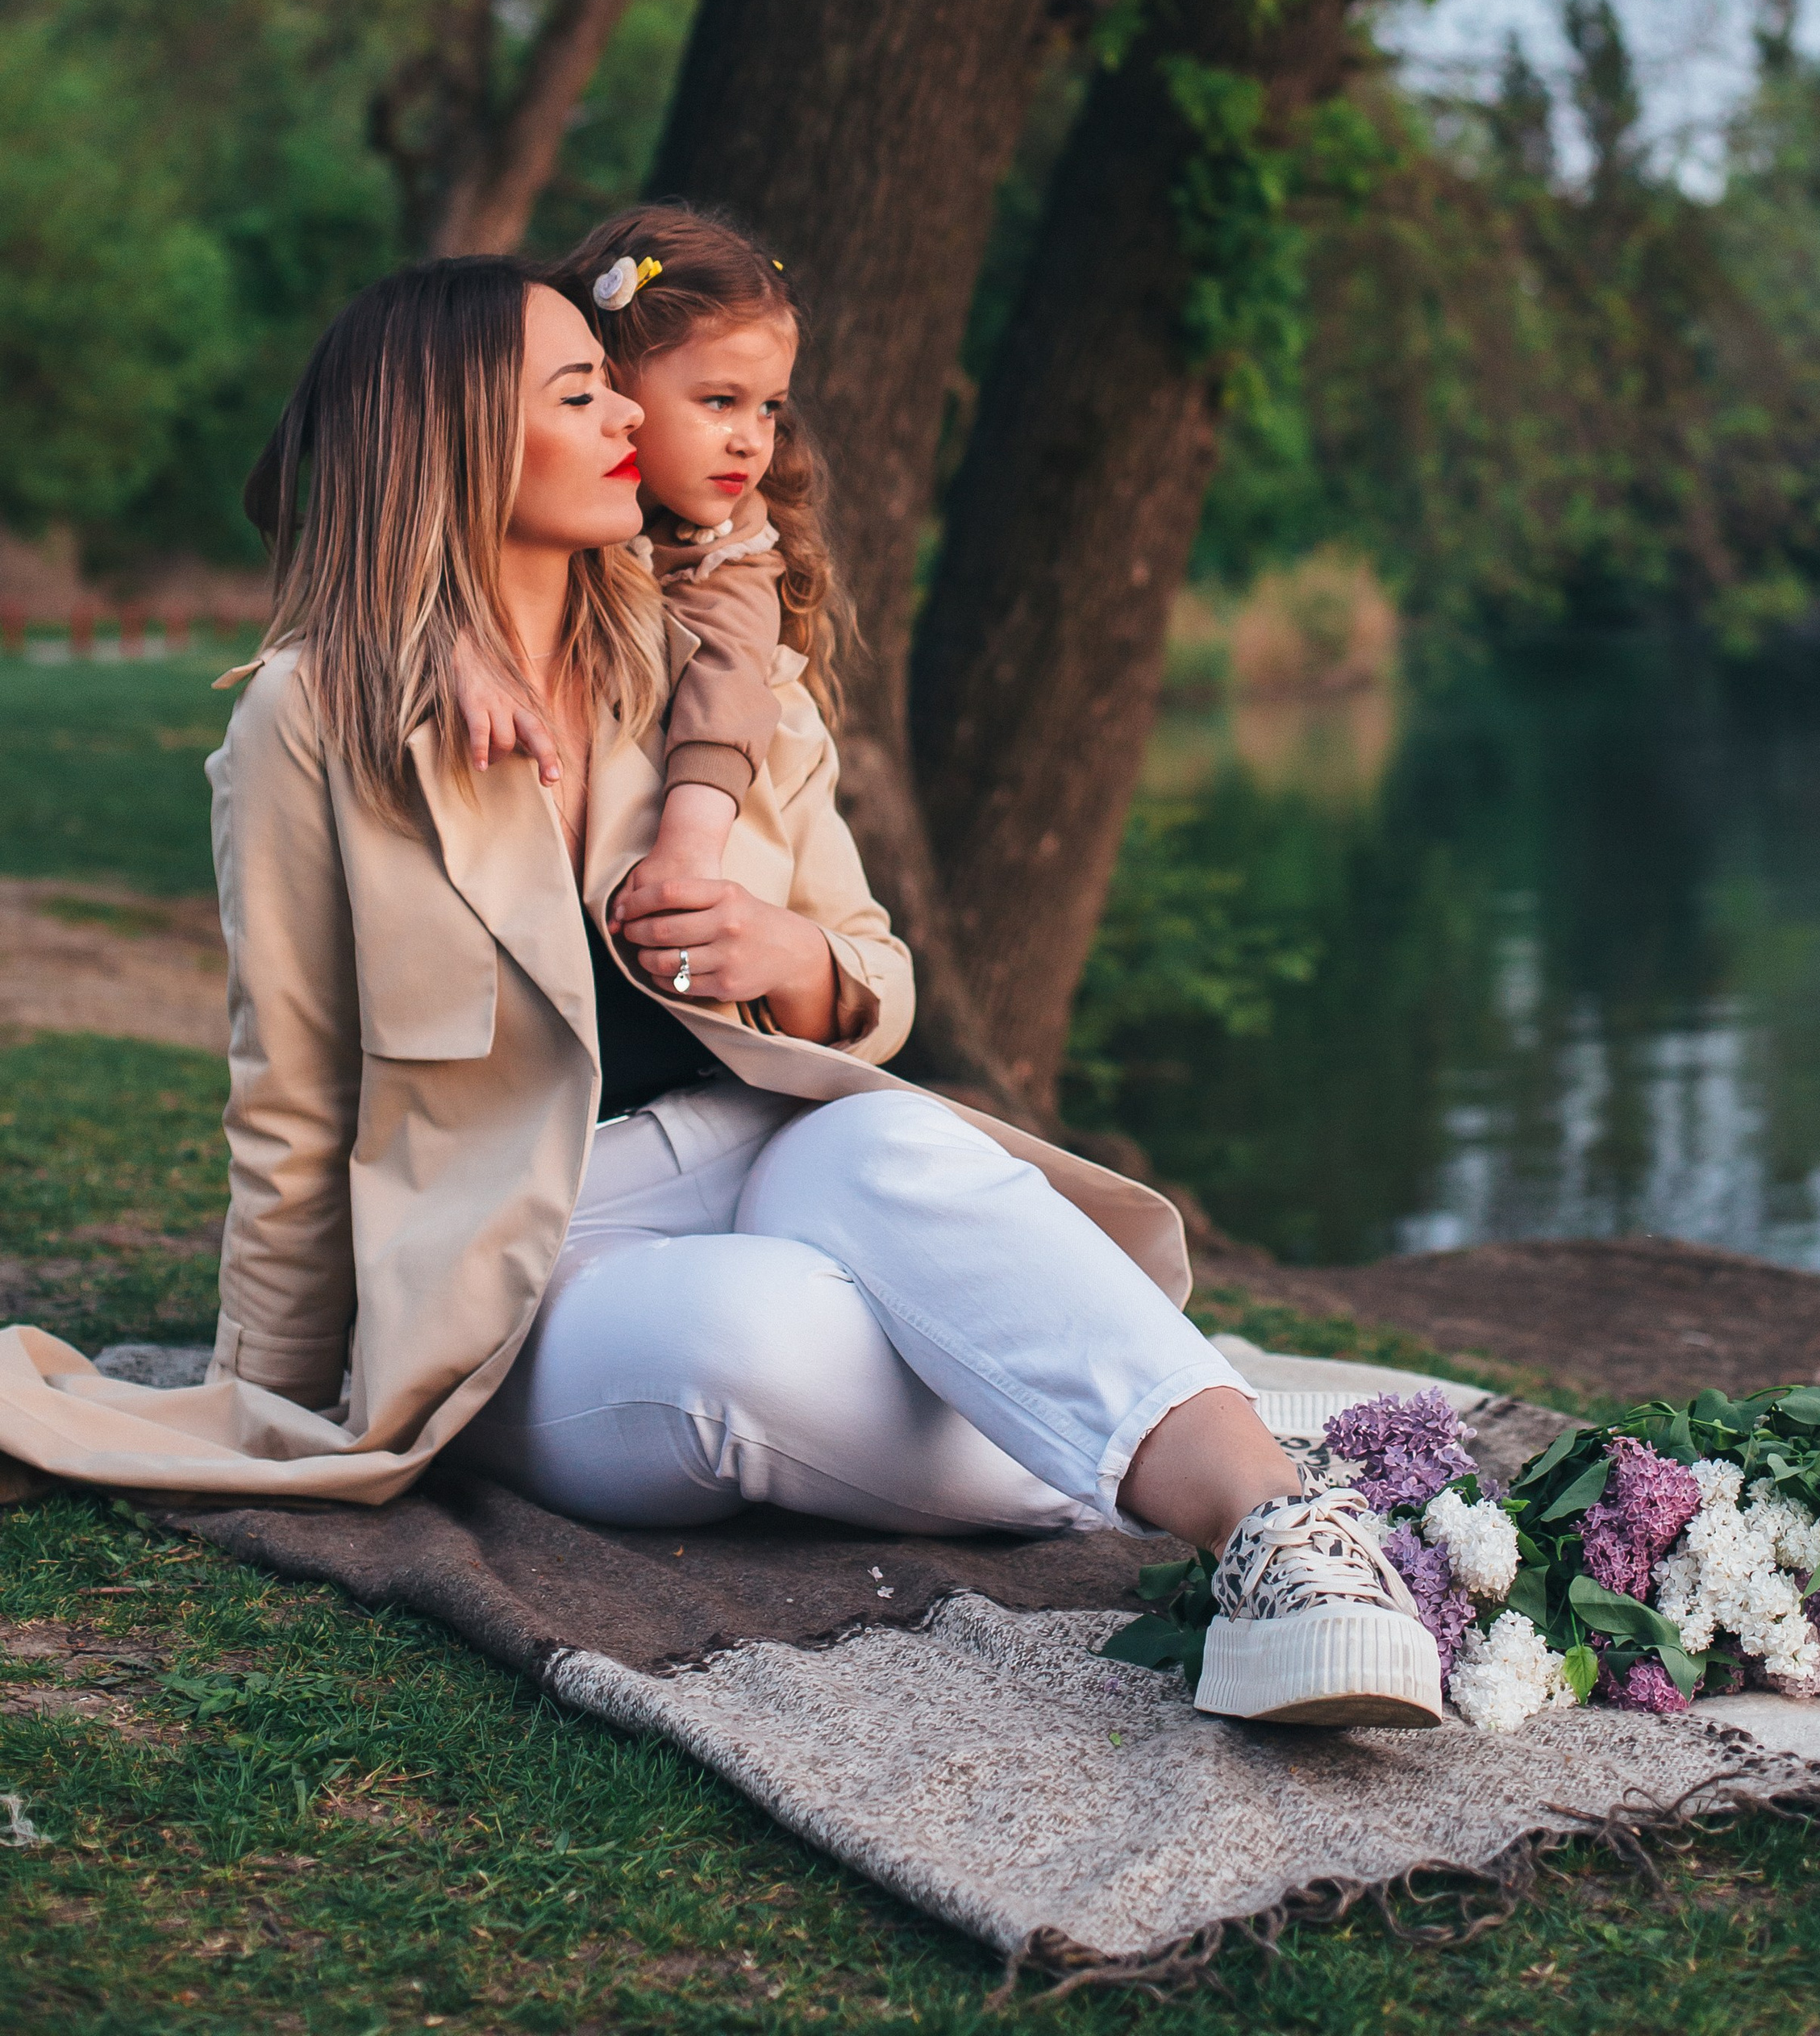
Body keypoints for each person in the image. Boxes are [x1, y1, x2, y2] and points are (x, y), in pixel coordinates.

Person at [0, 256, 1439, 1730]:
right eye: (579, 391)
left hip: (776, 1151)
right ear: (454, 442)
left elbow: (876, 972)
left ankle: (1283, 1546)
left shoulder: (712, 664)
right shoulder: (312, 722)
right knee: (757, 1337)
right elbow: (295, 1101)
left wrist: (800, 965)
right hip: (533, 1271)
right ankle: (1203, 1406)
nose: (631, 411)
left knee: (898, 1148)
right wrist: (281, 1406)